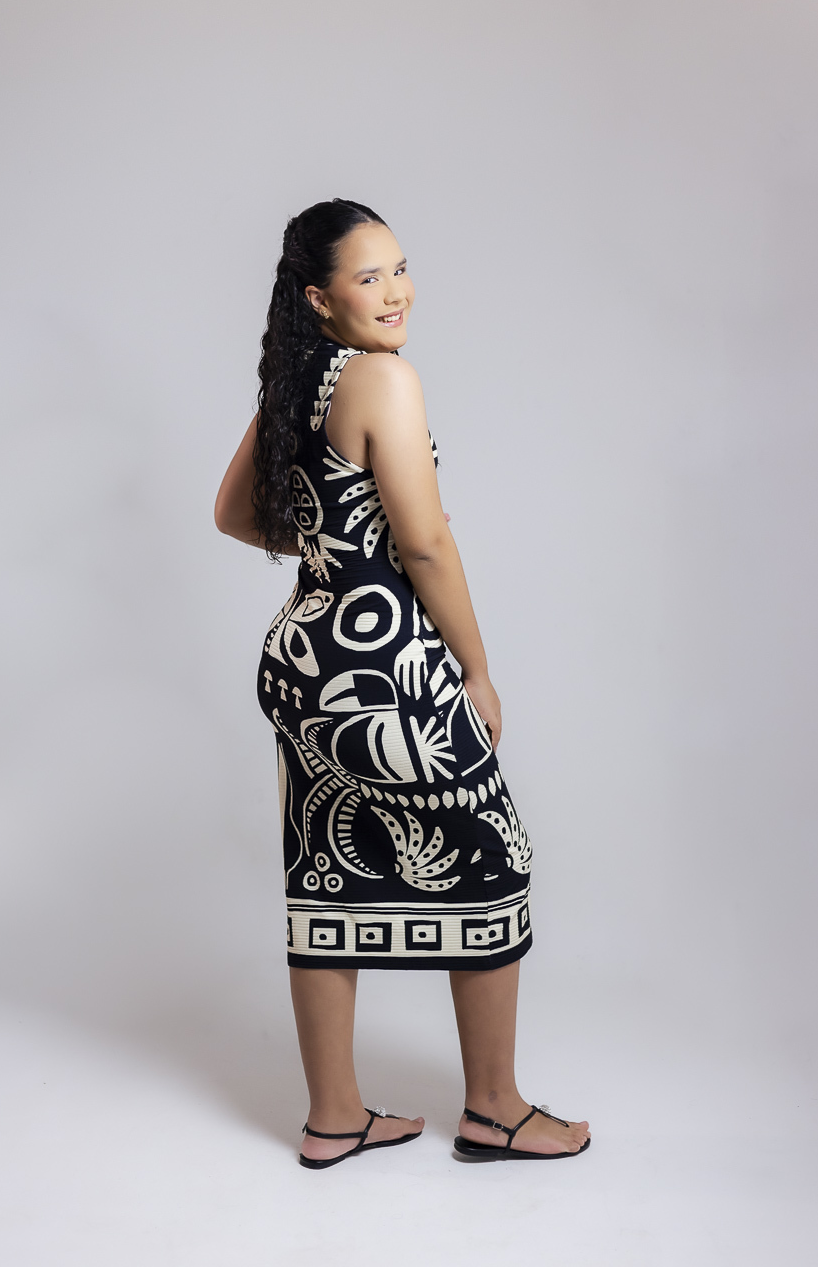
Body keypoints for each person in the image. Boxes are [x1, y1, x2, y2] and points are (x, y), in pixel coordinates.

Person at [214, 198, 590, 1169]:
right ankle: (495, 1108)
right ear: (319, 297)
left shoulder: (294, 383)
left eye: (399, 267)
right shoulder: (384, 379)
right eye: (367, 276)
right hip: (383, 667)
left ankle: (333, 1117)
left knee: (323, 867)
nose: (395, 291)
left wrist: (338, 545)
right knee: (494, 856)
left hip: (303, 660)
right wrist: (476, 668)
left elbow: (234, 514)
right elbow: (423, 544)